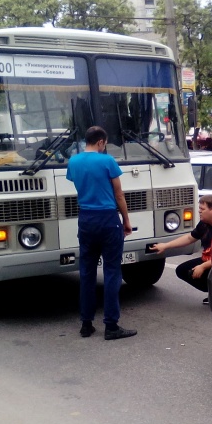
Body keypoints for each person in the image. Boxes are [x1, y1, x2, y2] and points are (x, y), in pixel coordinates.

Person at [66, 126, 137, 341]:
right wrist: (126, 221)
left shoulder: (74, 162)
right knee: (112, 271)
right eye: (104, 143)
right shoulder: (107, 162)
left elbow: (79, 187)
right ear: (100, 142)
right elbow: (119, 194)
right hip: (107, 219)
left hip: (85, 219)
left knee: (86, 272)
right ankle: (111, 326)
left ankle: (86, 324)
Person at [149, 194, 212, 305]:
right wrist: (165, 246)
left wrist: (202, 267)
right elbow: (190, 238)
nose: (199, 212)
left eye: (202, 209)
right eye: (199, 209)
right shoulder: (204, 223)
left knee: (210, 270)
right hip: (210, 259)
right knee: (182, 270)